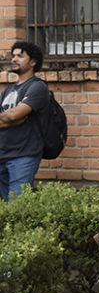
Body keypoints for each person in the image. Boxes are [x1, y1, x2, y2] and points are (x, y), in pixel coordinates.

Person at [0, 41, 49, 199]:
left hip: (23, 156)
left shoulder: (37, 87)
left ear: (33, 62)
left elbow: (13, 114)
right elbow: (13, 117)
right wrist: (13, 120)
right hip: (3, 154)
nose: (14, 59)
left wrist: (12, 118)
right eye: (13, 55)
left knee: (16, 205)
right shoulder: (8, 90)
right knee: (5, 211)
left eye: (20, 56)